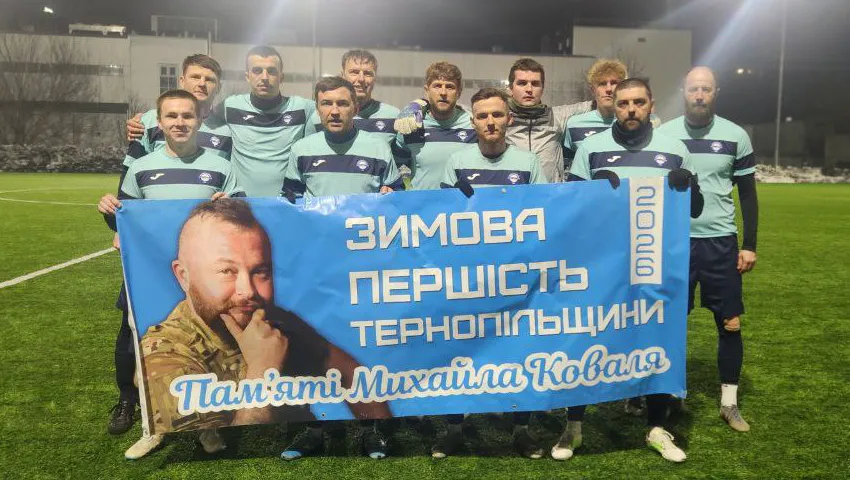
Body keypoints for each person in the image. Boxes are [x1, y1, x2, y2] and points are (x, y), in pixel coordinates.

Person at [97, 89, 245, 459]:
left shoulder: (222, 167)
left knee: (209, 346)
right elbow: (125, 221)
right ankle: (154, 427)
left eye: (187, 116)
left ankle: (207, 427)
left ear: (200, 120)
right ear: (159, 122)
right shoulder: (141, 167)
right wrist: (109, 211)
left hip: (202, 278)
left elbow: (239, 219)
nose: (180, 122)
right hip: (152, 274)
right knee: (150, 349)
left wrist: (229, 205)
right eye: (172, 116)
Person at [568, 78, 702, 463]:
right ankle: (573, 426)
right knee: (586, 337)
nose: (630, 109)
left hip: (653, 263)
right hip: (602, 264)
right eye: (623, 102)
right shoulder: (591, 148)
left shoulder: (675, 149)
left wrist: (688, 188)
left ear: (650, 105)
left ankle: (657, 426)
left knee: (656, 337)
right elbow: (570, 210)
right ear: (613, 105)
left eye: (638, 102)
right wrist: (595, 192)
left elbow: (695, 209)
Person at [434, 87, 547, 459]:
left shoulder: (528, 162)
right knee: (458, 350)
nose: (491, 122)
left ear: (509, 119)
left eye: (497, 115)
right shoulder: (456, 161)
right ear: (473, 122)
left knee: (519, 351)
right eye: (482, 116)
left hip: (515, 276)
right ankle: (454, 428)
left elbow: (546, 215)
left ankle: (522, 430)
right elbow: (441, 222)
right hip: (468, 277)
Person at [657, 66, 758, 433]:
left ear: (716, 92)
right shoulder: (664, 136)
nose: (699, 95)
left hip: (720, 242)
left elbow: (747, 194)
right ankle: (670, 395)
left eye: (706, 89)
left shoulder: (735, 135)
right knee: (669, 322)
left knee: (730, 322)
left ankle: (729, 403)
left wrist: (749, 245)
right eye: (693, 89)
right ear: (683, 92)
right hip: (674, 242)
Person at [129, 46, 318, 197]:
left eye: (271, 71)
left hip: (284, 204)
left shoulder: (304, 108)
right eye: (257, 70)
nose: (264, 77)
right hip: (239, 207)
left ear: (281, 77)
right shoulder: (230, 107)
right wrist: (144, 119)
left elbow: (332, 112)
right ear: (247, 76)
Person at [284, 76, 403, 198]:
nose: (334, 112)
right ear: (317, 110)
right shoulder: (301, 150)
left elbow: (399, 194)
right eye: (326, 104)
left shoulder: (379, 148)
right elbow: (290, 200)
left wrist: (392, 193)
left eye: (342, 104)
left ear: (355, 109)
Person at [504, 58, 592, 182]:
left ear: (542, 88)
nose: (529, 89)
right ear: (511, 87)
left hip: (550, 192)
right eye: (522, 83)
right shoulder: (501, 119)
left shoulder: (557, 116)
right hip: (513, 191)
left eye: (535, 84)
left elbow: (596, 104)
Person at [391, 62, 476, 190]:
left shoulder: (473, 125)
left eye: (450, 87)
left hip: (463, 203)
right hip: (423, 202)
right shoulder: (411, 124)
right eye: (437, 86)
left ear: (459, 92)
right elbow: (395, 169)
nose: (443, 92)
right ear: (427, 91)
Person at [309, 50, 400, 145]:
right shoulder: (317, 118)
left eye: (368, 73)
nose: (361, 79)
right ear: (342, 75)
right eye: (354, 72)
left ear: (375, 78)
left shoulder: (393, 116)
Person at [563, 59, 628, 177]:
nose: (609, 89)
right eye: (602, 83)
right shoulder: (574, 125)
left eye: (614, 83)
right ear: (593, 90)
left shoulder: (631, 124)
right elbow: (566, 168)